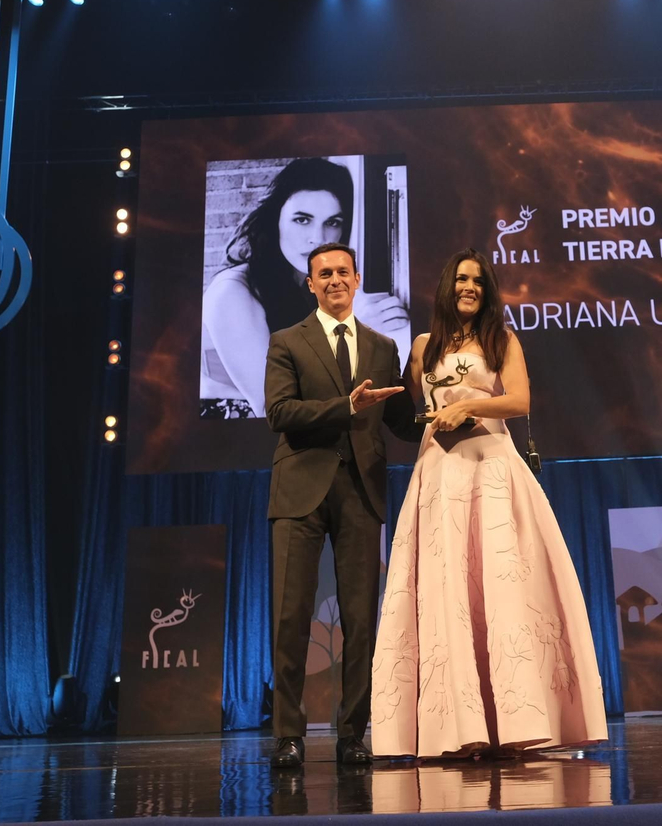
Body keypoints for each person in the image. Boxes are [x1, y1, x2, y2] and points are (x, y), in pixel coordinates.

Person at [370, 249, 607, 759]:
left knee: (500, 589)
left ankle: (516, 722)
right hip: (439, 472)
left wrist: (470, 406)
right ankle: (456, 728)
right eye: (461, 278)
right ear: (447, 285)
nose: (469, 287)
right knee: (446, 590)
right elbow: (412, 412)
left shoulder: (502, 340)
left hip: (492, 468)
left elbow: (519, 401)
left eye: (478, 281)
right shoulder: (423, 346)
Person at [263, 241, 425, 768]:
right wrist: (345, 406)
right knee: (291, 616)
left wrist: (443, 413)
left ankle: (352, 734)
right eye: (324, 273)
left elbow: (400, 423)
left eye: (343, 272)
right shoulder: (287, 341)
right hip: (300, 491)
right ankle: (288, 735)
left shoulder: (382, 347)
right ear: (310, 283)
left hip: (361, 490)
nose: (334, 280)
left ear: (357, 280)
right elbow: (279, 412)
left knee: (361, 619)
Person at [202, 158, 409, 418]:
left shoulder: (308, 279)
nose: (318, 239)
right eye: (302, 220)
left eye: (332, 222)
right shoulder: (231, 293)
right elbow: (273, 407)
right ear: (275, 220)